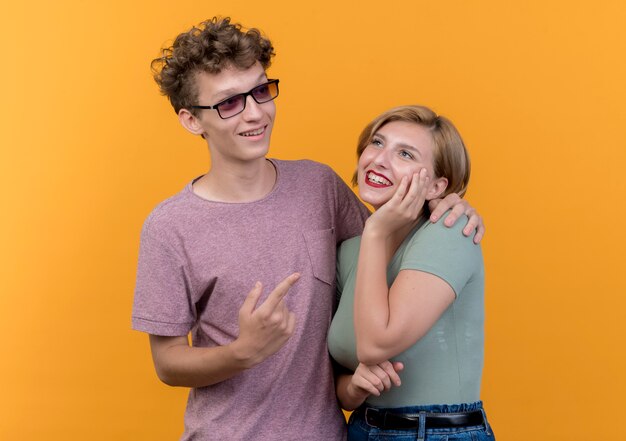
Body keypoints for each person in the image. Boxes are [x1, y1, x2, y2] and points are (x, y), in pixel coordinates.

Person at [132, 18, 484, 440]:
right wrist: (241, 353)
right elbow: (167, 363)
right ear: (192, 120)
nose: (256, 112)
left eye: (261, 91)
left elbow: (390, 244)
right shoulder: (169, 227)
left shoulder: (320, 187)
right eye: (230, 103)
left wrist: (444, 204)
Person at [328, 105, 495, 440]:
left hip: (435, 432)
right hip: (362, 428)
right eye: (377, 143)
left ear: (436, 187)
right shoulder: (347, 252)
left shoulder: (450, 231)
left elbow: (376, 345)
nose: (378, 159)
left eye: (404, 154)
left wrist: (375, 231)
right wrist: (356, 387)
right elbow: (340, 385)